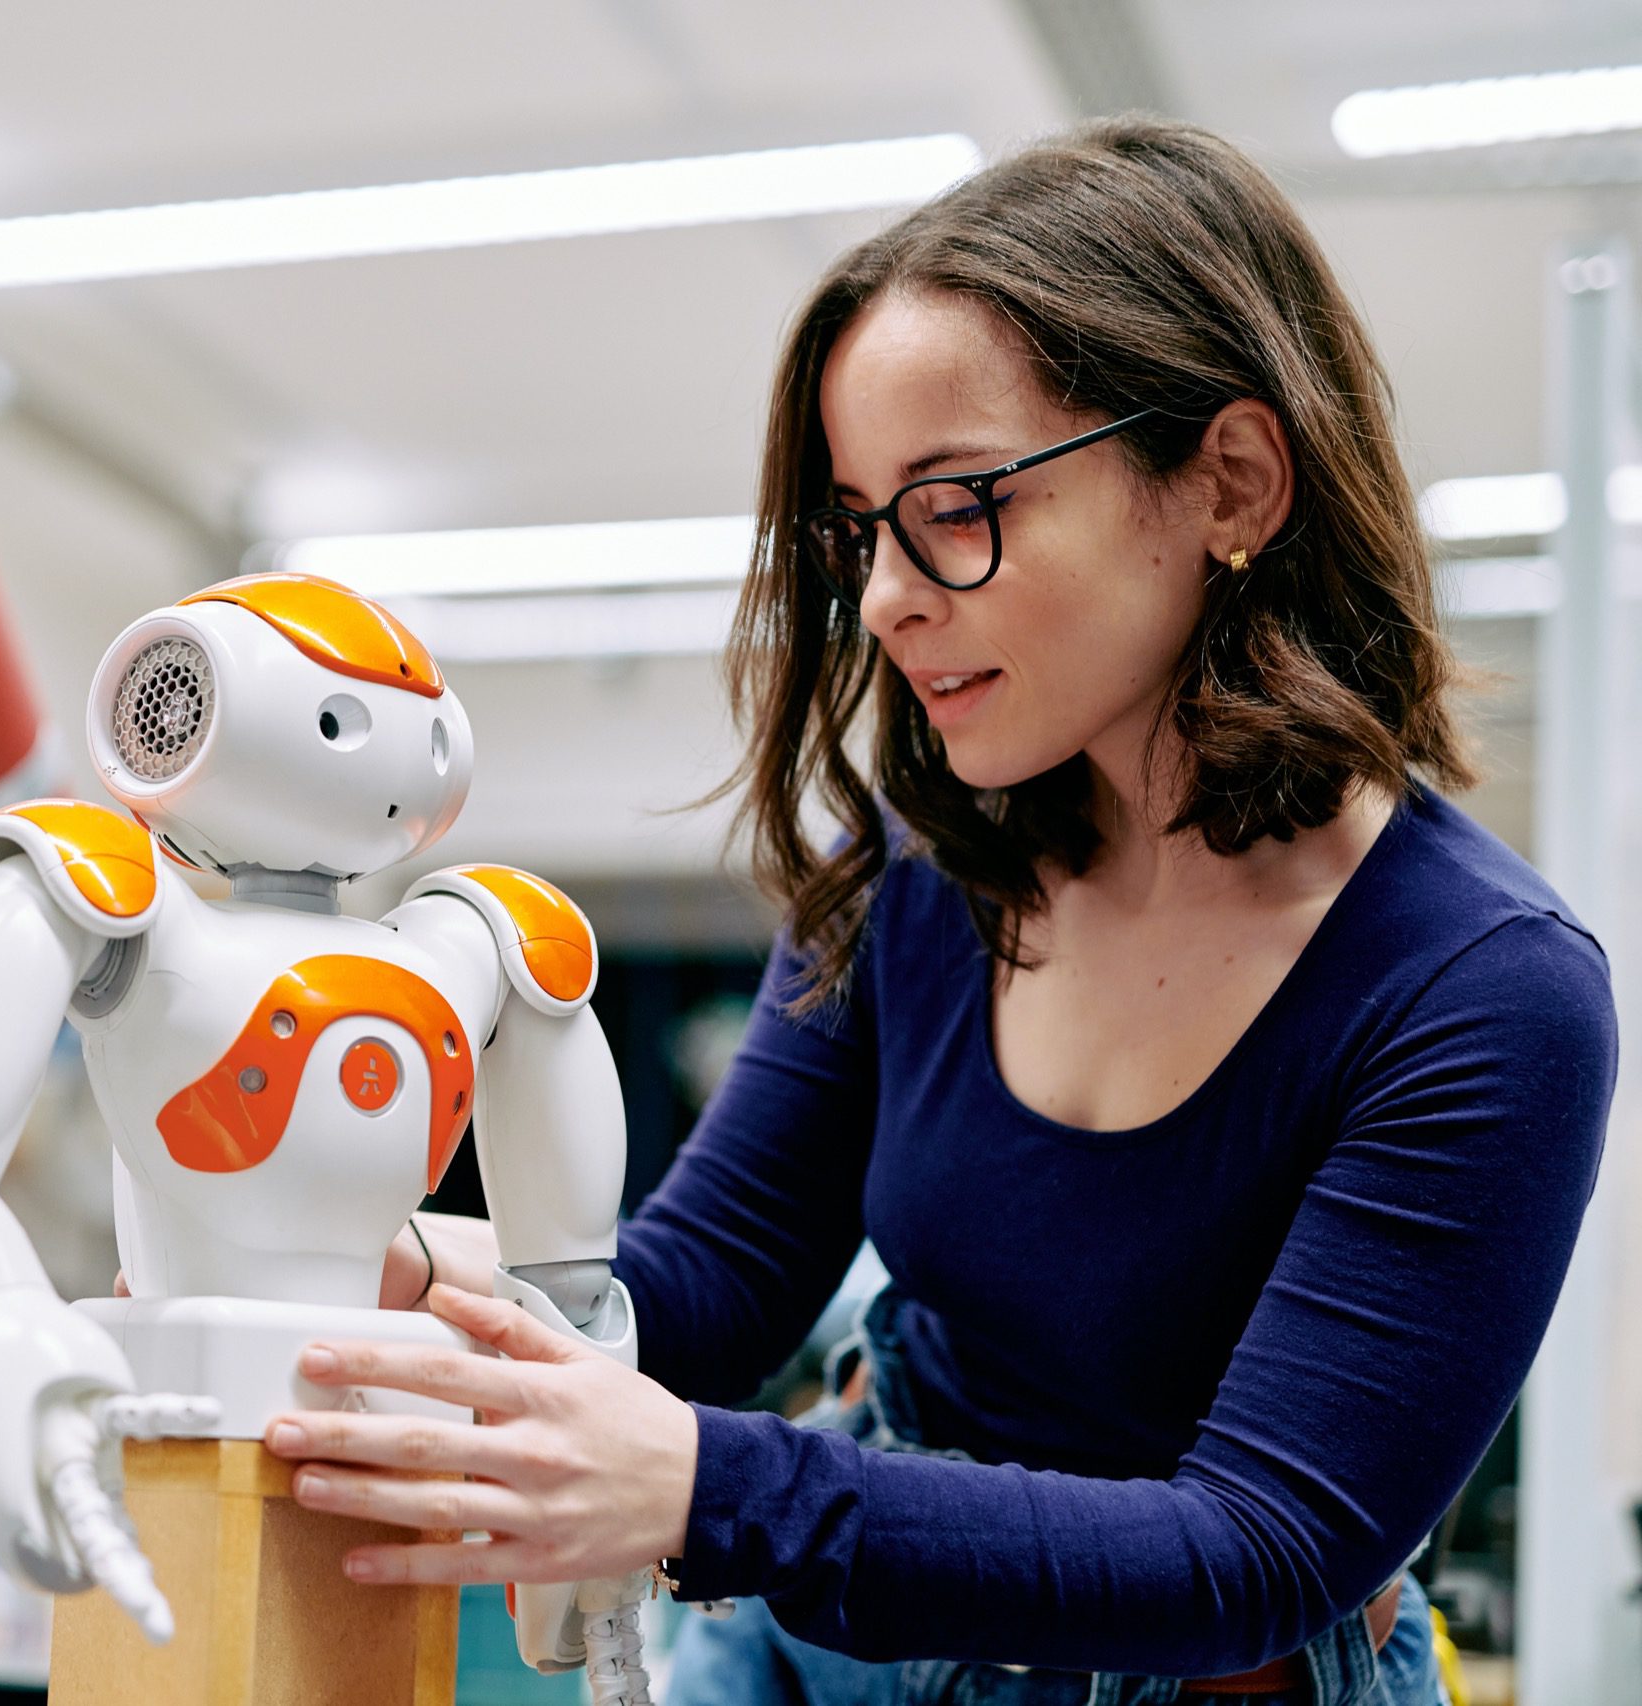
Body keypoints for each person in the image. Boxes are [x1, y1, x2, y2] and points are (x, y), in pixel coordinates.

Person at [257, 115, 1618, 1705]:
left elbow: (1252, 1552)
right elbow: (704, 1283)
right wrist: (436, 1284)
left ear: (1230, 482)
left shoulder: (1480, 991)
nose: (888, 592)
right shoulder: (918, 873)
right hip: (819, 1650)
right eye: (856, 524)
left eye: (958, 502)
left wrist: (709, 1486)